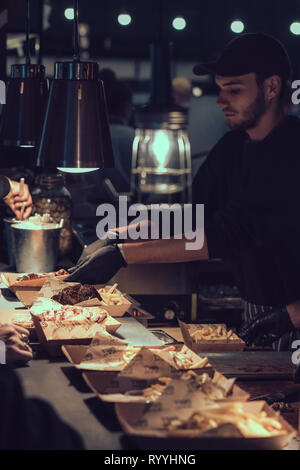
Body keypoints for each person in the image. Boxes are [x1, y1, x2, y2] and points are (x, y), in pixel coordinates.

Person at [67, 33, 300, 349]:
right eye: (220, 90)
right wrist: (119, 235)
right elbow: (190, 213)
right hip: (257, 309)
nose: (220, 101)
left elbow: (225, 233)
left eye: (233, 90)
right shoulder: (234, 146)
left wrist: (123, 254)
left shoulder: (290, 152)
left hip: (293, 314)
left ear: (272, 87)